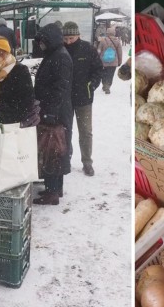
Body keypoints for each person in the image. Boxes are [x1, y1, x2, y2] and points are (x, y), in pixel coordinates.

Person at [33, 23, 73, 205]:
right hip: (53, 110)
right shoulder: (54, 54)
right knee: (54, 150)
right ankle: (55, 189)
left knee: (53, 151)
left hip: (56, 113)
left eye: (43, 41)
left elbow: (60, 88)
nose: (41, 45)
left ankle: (53, 192)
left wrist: (51, 112)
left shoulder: (60, 57)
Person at [62, 21, 103, 177]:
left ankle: (87, 161)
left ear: (78, 35)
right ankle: (66, 158)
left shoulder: (87, 49)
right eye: (66, 39)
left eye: (71, 38)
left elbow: (98, 69)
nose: (68, 41)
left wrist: (91, 85)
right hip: (65, 98)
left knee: (85, 131)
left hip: (84, 98)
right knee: (66, 130)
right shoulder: (61, 49)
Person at [96, 27, 123, 94]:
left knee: (104, 74)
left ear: (107, 33)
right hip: (113, 62)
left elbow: (98, 50)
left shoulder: (103, 41)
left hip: (103, 61)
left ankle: (104, 85)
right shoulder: (117, 42)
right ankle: (108, 86)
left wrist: (98, 59)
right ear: (114, 33)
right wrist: (119, 61)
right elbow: (120, 53)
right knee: (110, 75)